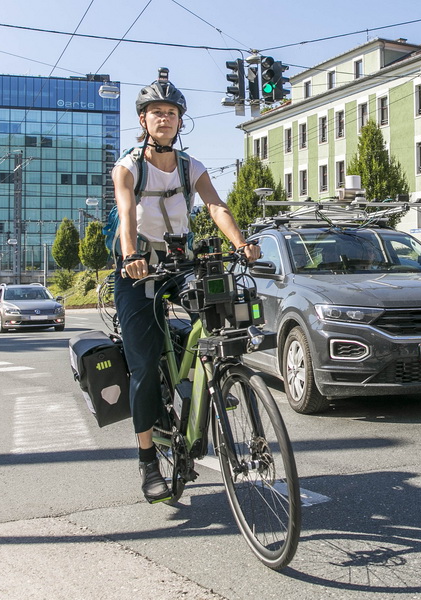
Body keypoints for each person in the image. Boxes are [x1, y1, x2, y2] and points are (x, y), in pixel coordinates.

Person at [112, 69, 260, 504]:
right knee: (142, 366)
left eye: (171, 113)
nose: (164, 119)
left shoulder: (190, 166)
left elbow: (215, 204)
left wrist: (241, 243)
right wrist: (131, 256)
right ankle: (146, 460)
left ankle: (214, 382)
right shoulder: (129, 167)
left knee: (223, 313)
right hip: (139, 267)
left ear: (180, 121)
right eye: (156, 112)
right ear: (144, 121)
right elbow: (126, 214)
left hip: (181, 262)